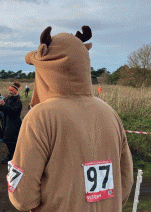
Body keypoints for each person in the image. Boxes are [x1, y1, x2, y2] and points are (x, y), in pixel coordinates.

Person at [7, 26, 133, 211]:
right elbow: (126, 179)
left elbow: (22, 196)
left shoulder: (40, 117)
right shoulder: (110, 113)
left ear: (45, 70)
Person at [0, 82, 22, 164]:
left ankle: (13, 156)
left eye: (12, 91)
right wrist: (0, 105)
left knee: (13, 141)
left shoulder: (18, 102)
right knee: (7, 140)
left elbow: (14, 112)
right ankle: (11, 155)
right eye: (9, 90)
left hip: (14, 124)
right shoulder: (6, 98)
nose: (10, 92)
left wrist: (4, 105)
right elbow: (0, 109)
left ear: (15, 92)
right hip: (6, 123)